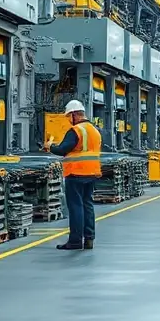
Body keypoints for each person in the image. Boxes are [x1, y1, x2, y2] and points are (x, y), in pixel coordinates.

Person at [44, 99, 102, 251]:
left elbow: (63, 149)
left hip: (76, 172)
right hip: (92, 172)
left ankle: (75, 241)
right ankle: (89, 239)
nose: (68, 120)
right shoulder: (94, 130)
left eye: (69, 116)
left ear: (75, 115)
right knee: (87, 205)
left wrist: (50, 147)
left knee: (76, 206)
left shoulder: (76, 130)